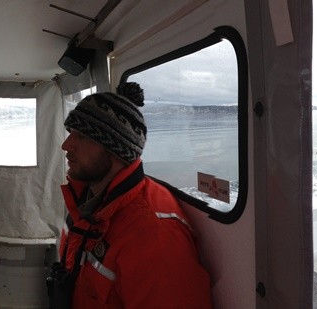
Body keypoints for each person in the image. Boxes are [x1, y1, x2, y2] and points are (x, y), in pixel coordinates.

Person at [50, 82, 213, 308]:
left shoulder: (154, 237)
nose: (66, 145)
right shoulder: (88, 204)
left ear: (114, 149)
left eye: (82, 136)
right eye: (71, 134)